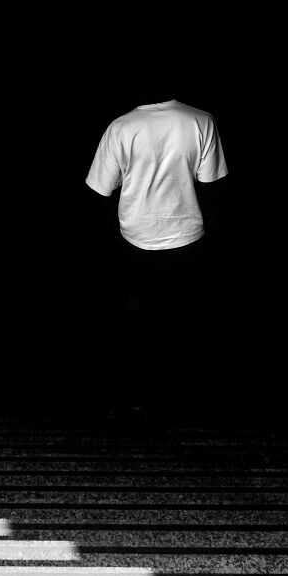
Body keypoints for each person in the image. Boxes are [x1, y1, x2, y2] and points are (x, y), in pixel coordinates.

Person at [85, 95, 228, 420]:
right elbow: (213, 187)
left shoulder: (121, 127)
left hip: (135, 235)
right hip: (188, 234)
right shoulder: (200, 120)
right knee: (182, 319)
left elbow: (100, 190)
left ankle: (136, 398)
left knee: (135, 320)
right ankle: (177, 399)